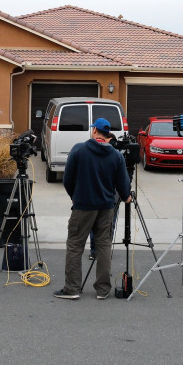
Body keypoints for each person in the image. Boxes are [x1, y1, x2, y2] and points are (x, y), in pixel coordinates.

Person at [54, 117, 131, 300]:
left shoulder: (79, 149)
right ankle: (103, 289)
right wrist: (126, 195)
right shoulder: (116, 155)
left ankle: (72, 288)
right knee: (103, 244)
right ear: (107, 134)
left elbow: (67, 179)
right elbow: (123, 185)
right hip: (106, 207)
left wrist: (75, 197)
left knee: (75, 245)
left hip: (83, 206)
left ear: (95, 130)